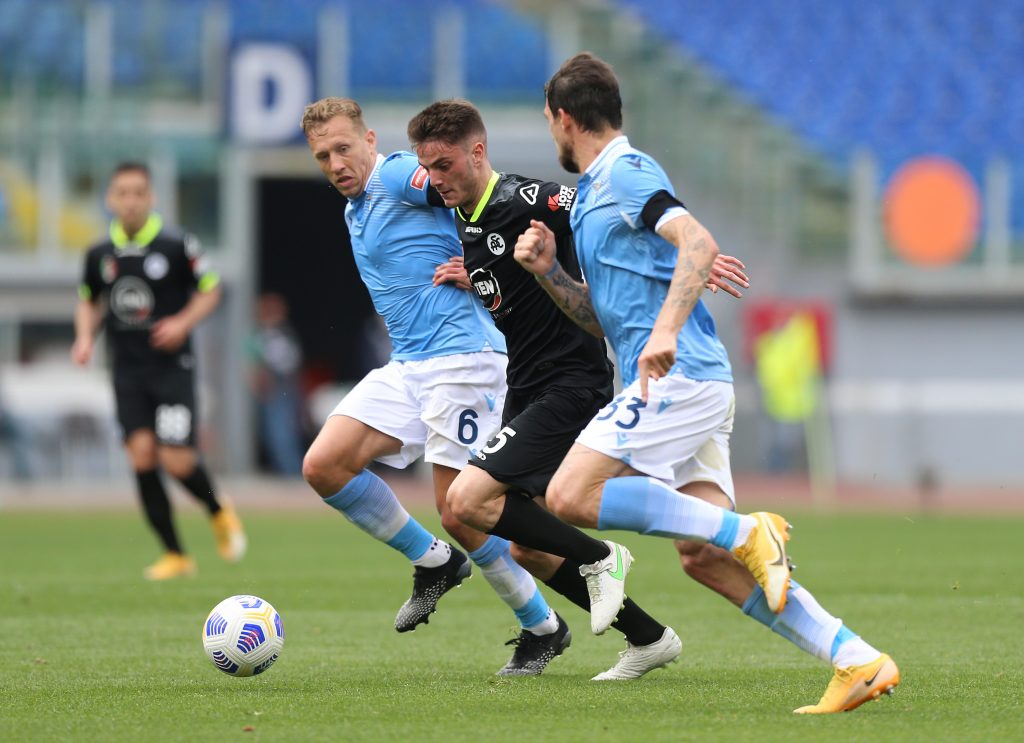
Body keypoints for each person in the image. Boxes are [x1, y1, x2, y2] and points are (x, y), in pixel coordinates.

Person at [512, 52, 899, 713]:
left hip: (678, 377)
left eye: (549, 121)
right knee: (702, 555)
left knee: (570, 494)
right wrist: (550, 272)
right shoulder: (594, 198)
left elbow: (698, 243)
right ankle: (855, 658)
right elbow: (605, 320)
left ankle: (747, 530)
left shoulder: (626, 171)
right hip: (683, 380)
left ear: (563, 117)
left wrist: (666, 331)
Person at [407, 99, 748, 680]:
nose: (435, 179)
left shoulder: (527, 198)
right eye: (427, 168)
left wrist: (687, 255)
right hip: (527, 385)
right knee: (527, 546)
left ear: (477, 153)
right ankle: (649, 638)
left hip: (570, 383)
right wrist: (483, 276)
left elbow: (608, 214)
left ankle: (603, 555)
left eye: (444, 165)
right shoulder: (466, 214)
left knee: (465, 502)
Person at [300, 97, 568, 676]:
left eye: (344, 148)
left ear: (370, 140)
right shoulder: (355, 209)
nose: (336, 163)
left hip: (464, 361)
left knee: (462, 513)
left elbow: (476, 194)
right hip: (409, 366)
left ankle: (543, 627)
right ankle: (434, 562)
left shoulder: (399, 175)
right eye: (323, 156)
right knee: (324, 466)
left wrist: (491, 267)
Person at [71, 162, 246, 580]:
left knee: (177, 460)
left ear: (151, 198)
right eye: (122, 193)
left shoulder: (175, 245)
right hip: (126, 372)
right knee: (142, 456)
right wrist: (84, 338)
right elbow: (89, 300)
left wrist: (182, 323)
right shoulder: (99, 254)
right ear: (110, 199)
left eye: (138, 193)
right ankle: (175, 554)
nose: (130, 201)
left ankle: (217, 508)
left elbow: (211, 290)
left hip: (172, 370)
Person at [247, 292, 305, 476]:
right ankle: (288, 472)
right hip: (270, 389)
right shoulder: (261, 334)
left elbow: (292, 363)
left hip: (284, 388)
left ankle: (292, 473)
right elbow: (252, 365)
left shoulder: (282, 332)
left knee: (283, 432)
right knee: (274, 433)